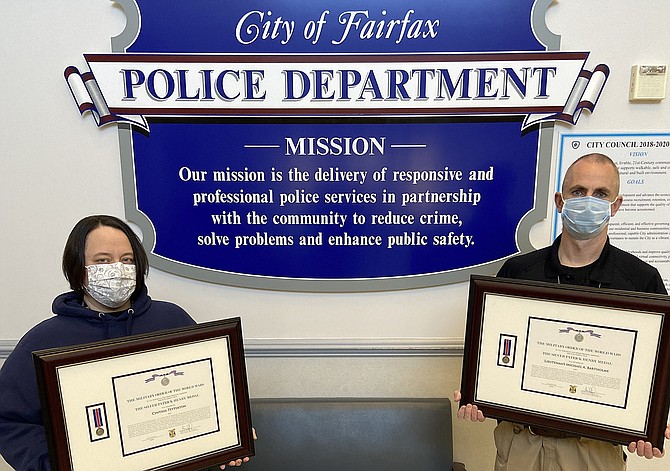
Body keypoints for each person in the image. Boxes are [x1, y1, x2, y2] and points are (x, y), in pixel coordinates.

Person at [455, 153, 670, 470]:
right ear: (560, 200)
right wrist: (479, 393)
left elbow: (657, 367)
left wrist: (648, 423)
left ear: (616, 205)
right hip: (520, 444)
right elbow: (494, 352)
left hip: (594, 451)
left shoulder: (641, 280)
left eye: (601, 194)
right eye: (578, 191)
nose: (588, 202)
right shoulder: (518, 272)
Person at [0, 215, 251, 471]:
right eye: (102, 260)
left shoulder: (173, 319)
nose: (118, 269)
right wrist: (52, 464)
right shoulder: (44, 340)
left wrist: (231, 437)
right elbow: (8, 420)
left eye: (127, 260)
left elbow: (213, 394)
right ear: (77, 268)